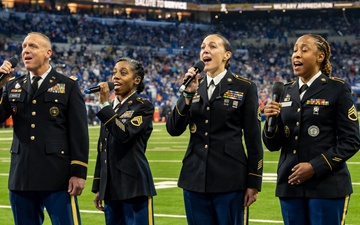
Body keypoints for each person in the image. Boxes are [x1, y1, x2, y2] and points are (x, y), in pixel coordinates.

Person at [262, 34, 360, 225]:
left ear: (320, 56)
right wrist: (270, 121)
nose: (296, 55)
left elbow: (351, 141)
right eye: (294, 50)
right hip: (290, 185)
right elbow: (273, 145)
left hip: (327, 186)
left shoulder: (337, 89)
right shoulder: (285, 91)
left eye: (304, 50)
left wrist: (315, 167)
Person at [166, 34, 263, 225]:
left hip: (230, 179)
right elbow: (173, 129)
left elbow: (253, 139)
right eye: (202, 47)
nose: (205, 51)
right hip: (194, 177)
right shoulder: (193, 86)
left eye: (212, 46)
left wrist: (254, 182)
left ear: (227, 55)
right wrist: (187, 95)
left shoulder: (244, 87)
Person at [0, 32, 89, 225]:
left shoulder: (67, 85)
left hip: (57, 178)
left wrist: (78, 173)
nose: (26, 51)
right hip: (21, 178)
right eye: (24, 46)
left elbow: (79, 133)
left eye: (33, 46)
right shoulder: (12, 86)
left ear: (48, 52)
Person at [92, 57, 156, 225]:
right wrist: (99, 186)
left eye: (123, 73)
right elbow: (103, 147)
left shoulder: (143, 106)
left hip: (134, 187)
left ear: (136, 80)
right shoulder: (111, 108)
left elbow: (124, 135)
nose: (115, 77)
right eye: (114, 73)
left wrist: (104, 104)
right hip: (111, 188)